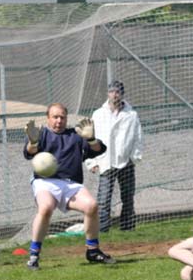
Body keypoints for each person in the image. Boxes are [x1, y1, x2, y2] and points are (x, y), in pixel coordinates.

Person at [23, 103, 116, 270]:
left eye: (62, 117)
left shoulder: (75, 135)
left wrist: (91, 138)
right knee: (45, 208)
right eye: (55, 117)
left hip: (70, 183)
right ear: (48, 118)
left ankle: (93, 251)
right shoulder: (40, 134)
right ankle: (34, 255)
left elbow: (99, 149)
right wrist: (33, 142)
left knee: (91, 206)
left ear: (66, 118)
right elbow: (29, 153)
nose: (59, 120)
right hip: (45, 182)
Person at [85, 80, 142, 232]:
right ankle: (102, 229)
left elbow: (137, 137)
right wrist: (91, 161)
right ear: (108, 93)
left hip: (126, 162)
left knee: (128, 197)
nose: (114, 95)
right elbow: (91, 137)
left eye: (117, 92)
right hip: (106, 161)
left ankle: (128, 227)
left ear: (122, 94)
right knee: (103, 199)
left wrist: (135, 157)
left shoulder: (131, 114)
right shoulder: (98, 114)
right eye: (112, 91)